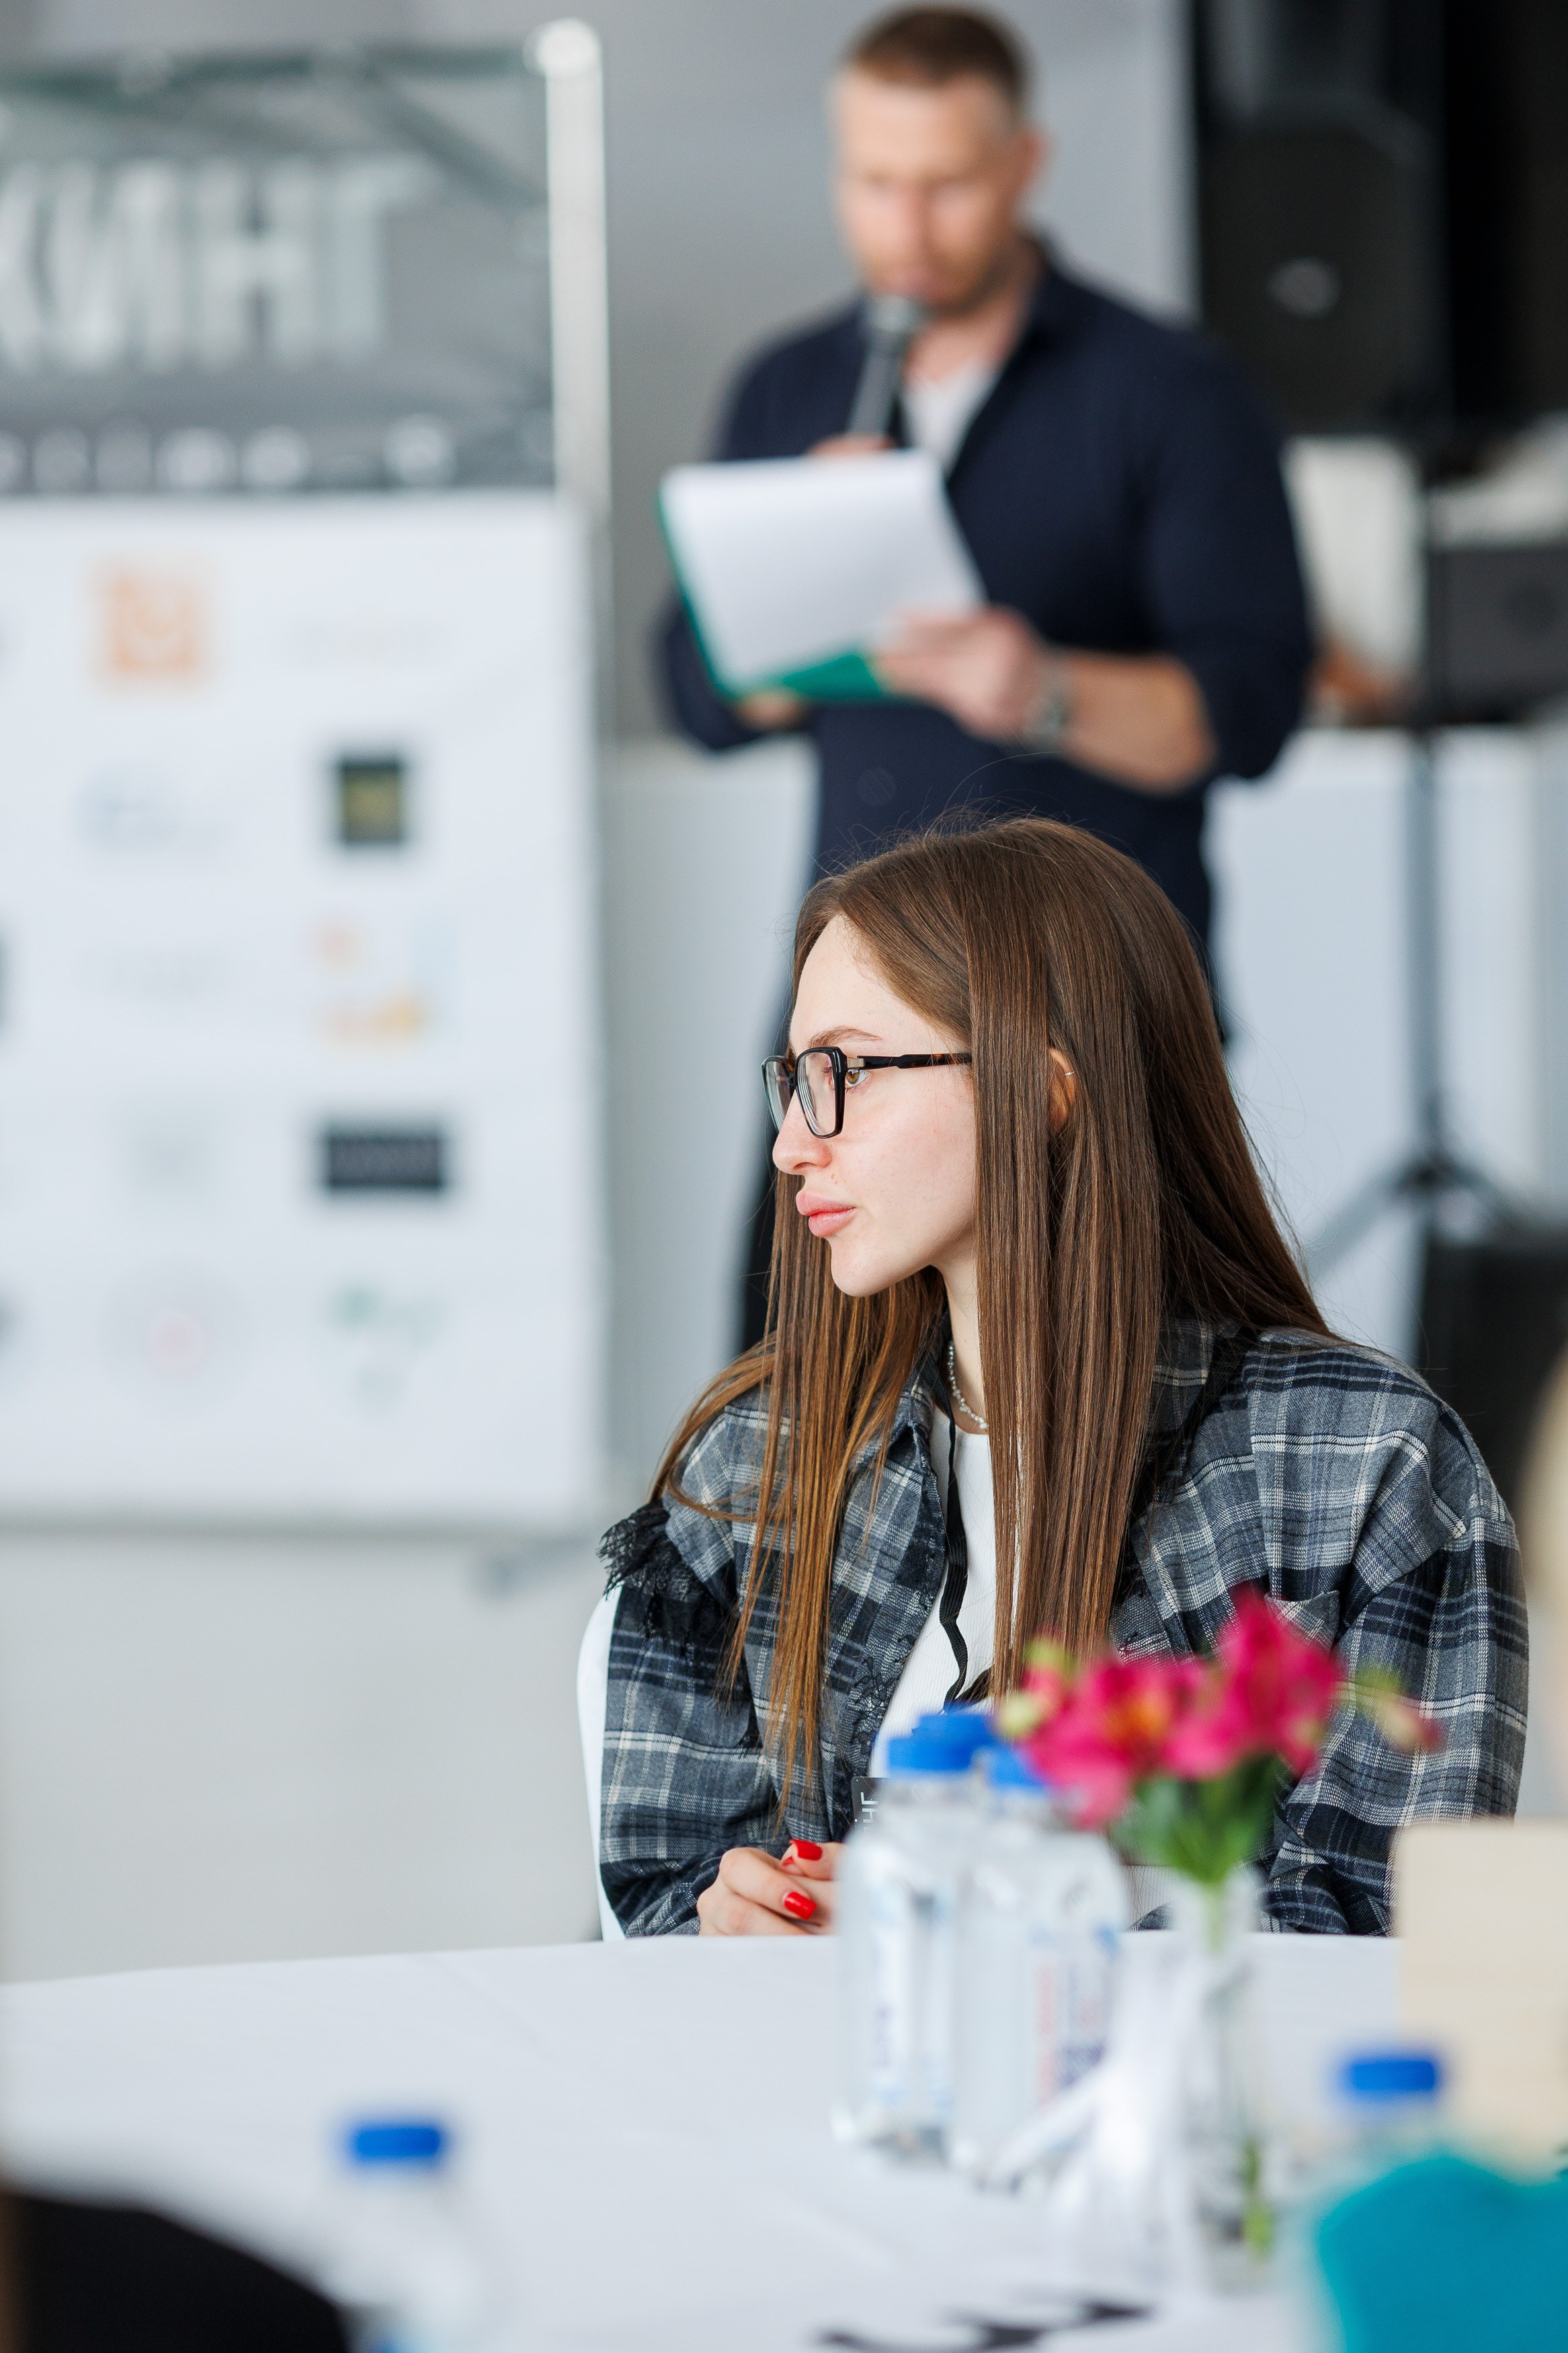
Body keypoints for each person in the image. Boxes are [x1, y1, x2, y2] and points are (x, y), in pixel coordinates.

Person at [597, 821, 1526, 1939]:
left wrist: (982, 1937)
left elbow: (1386, 1937)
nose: (793, 1142)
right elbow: (651, 1895)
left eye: (840, 1072)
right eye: (791, 1079)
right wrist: (728, 1924)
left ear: (1038, 1092)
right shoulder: (757, 1458)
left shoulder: (1363, 1465)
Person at [656, 5, 1313, 1346]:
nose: (908, 226)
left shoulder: (1171, 390)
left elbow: (1248, 712)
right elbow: (696, 696)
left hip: (1093, 1026)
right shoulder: (791, 391)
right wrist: (797, 596)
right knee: (799, 1429)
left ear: (1025, 163)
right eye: (874, 182)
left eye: (948, 183)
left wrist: (1049, 689)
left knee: (1121, 1421)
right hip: (853, 1028)